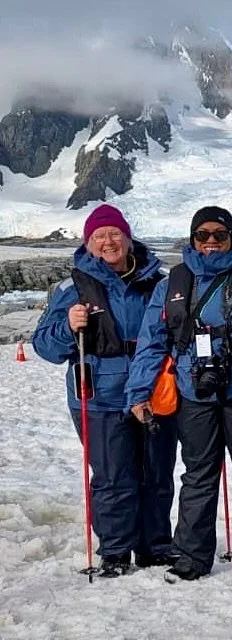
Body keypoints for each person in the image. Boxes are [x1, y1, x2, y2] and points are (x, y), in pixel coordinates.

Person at [126, 206, 232, 582]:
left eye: (220, 234)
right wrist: (138, 393)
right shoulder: (171, 284)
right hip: (194, 391)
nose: (211, 242)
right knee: (199, 474)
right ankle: (191, 556)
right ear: (193, 239)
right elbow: (153, 343)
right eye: (202, 235)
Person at [32, 204, 178, 577]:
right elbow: (46, 346)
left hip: (153, 389)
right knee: (113, 475)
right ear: (89, 243)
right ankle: (115, 550)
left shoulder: (159, 282)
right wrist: (68, 326)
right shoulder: (72, 288)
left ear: (128, 239)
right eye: (100, 236)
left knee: (156, 471)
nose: (109, 242)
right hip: (99, 394)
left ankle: (155, 547)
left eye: (115, 234)